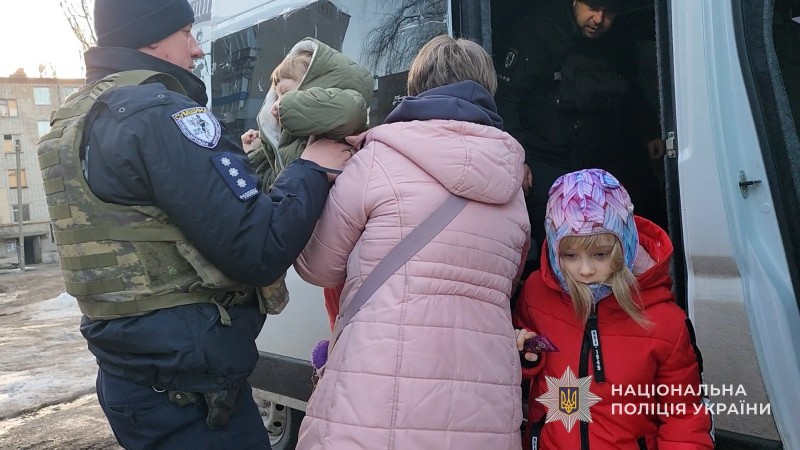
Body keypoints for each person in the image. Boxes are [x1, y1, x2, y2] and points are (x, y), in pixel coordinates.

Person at [35, 1, 352, 448]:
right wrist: (311, 168)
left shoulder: (78, 117)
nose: (197, 49)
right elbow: (258, 247)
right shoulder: (159, 114)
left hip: (132, 377)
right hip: (192, 396)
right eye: (186, 32)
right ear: (150, 36)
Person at [292, 35, 530, 449]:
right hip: (482, 403)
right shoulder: (512, 187)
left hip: (376, 395)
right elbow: (505, 284)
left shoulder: (376, 160)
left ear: (416, 86)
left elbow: (318, 267)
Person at [513, 168, 714, 450]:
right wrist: (526, 358)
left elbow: (684, 418)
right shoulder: (537, 294)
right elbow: (517, 360)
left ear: (625, 243)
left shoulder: (664, 321)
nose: (585, 269)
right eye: (570, 255)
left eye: (600, 254)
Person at [495, 0, 667, 276]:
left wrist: (648, 131)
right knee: (557, 237)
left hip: (598, 153)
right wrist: (518, 156)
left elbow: (629, 90)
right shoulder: (538, 33)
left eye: (608, 12)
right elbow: (508, 98)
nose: (599, 19)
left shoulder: (617, 41)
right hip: (545, 155)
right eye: (593, 8)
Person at [241, 37, 373, 316]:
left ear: (312, 88)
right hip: (326, 248)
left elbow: (351, 108)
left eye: (286, 93)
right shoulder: (295, 141)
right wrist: (257, 154)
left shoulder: (336, 121)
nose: (276, 105)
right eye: (276, 97)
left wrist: (287, 107)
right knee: (340, 318)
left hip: (353, 245)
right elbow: (273, 187)